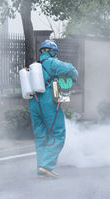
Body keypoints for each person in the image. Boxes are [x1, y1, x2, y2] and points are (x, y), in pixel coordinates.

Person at [29, 40, 78, 178]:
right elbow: (71, 69)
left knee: (41, 136)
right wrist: (72, 77)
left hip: (34, 102)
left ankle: (42, 168)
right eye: (55, 53)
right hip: (48, 101)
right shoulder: (52, 63)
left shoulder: (35, 66)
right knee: (58, 133)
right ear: (52, 51)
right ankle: (46, 165)